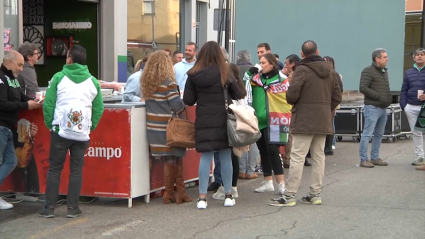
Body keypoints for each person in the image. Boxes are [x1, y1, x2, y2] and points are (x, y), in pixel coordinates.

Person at [269, 40, 342, 207]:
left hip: (303, 119)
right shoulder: (330, 70)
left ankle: (289, 195)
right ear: (318, 51)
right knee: (319, 157)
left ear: (302, 54)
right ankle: (315, 194)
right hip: (322, 119)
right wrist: (325, 109)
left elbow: (292, 96)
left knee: (297, 157)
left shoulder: (301, 70)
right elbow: (337, 96)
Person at [39, 45, 104, 218]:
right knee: (76, 171)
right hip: (82, 133)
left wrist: (50, 124)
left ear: (69, 59)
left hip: (60, 131)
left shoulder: (58, 78)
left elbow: (48, 104)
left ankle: (49, 209)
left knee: (54, 169)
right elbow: (99, 108)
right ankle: (72, 209)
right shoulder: (93, 81)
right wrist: (91, 126)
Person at [183, 41, 243, 209]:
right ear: (219, 55)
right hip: (223, 119)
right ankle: (228, 195)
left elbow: (188, 100)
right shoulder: (225, 72)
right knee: (225, 157)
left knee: (206, 157)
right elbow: (238, 94)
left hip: (204, 120)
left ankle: (202, 198)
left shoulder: (193, 73)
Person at [141, 50, 192, 205]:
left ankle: (170, 194)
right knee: (176, 157)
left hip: (153, 129)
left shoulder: (146, 83)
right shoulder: (168, 83)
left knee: (168, 160)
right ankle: (177, 193)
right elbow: (177, 105)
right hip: (168, 128)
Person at [244, 53, 291, 195]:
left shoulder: (281, 79)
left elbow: (287, 98)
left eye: (263, 62)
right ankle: (268, 181)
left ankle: (281, 184)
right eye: (260, 62)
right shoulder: (255, 79)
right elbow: (244, 87)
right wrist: (248, 73)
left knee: (273, 151)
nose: (261, 65)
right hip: (259, 121)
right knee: (263, 150)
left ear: (272, 64)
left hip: (276, 120)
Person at [0, 50, 41, 209]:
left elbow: (19, 96)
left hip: (9, 128)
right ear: (8, 63)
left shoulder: (13, 80)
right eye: (19, 65)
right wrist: (26, 105)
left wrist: (33, 100)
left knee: (11, 161)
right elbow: (2, 103)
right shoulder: (1, 79)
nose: (21, 69)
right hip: (1, 126)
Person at [212, 63, 248, 200]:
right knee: (235, 156)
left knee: (226, 157)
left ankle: (226, 186)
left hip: (229, 124)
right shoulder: (240, 88)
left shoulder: (228, 89)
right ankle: (233, 186)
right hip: (239, 125)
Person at [358, 48, 392, 168]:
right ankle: (363, 159)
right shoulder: (368, 71)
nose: (387, 59)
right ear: (377, 59)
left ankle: (374, 158)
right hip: (372, 107)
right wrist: (378, 96)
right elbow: (363, 87)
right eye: (384, 57)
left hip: (383, 108)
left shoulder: (384, 71)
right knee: (367, 134)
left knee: (379, 134)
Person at [235, 50, 260, 179]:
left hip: (238, 107)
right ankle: (251, 171)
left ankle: (242, 170)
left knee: (241, 139)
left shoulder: (234, 69)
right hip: (252, 107)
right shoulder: (255, 70)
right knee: (253, 139)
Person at [400, 48, 425, 166]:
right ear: (414, 58)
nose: (419, 56)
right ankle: (420, 157)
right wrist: (404, 106)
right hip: (411, 106)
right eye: (417, 55)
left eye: (422, 55)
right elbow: (404, 90)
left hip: (423, 107)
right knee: (416, 132)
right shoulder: (409, 72)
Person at [282, 54, 305, 168]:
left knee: (291, 135)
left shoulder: (293, 75)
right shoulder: (304, 71)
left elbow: (290, 94)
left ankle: (288, 158)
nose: (286, 67)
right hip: (304, 110)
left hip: (292, 108)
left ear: (293, 64)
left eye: (287, 64)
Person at [323, 56, 343, 155]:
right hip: (326, 103)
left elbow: (339, 90)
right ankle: (327, 146)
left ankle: (328, 146)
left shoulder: (334, 75)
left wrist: (332, 104)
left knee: (329, 125)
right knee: (327, 125)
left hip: (330, 103)